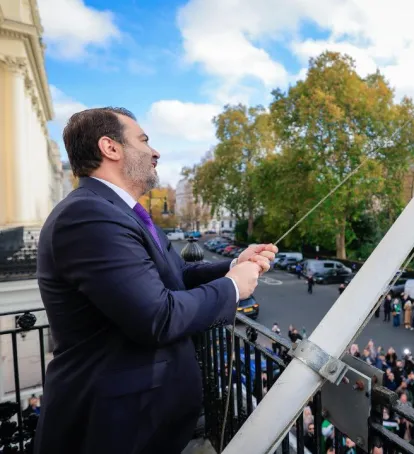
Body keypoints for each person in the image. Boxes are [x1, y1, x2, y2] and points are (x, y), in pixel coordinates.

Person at [34, 107, 277, 454]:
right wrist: (234, 286)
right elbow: (158, 317)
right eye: (144, 140)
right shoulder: (87, 215)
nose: (155, 151)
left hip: (140, 419)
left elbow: (177, 274)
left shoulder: (120, 210)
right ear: (110, 148)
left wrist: (236, 263)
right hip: (114, 426)